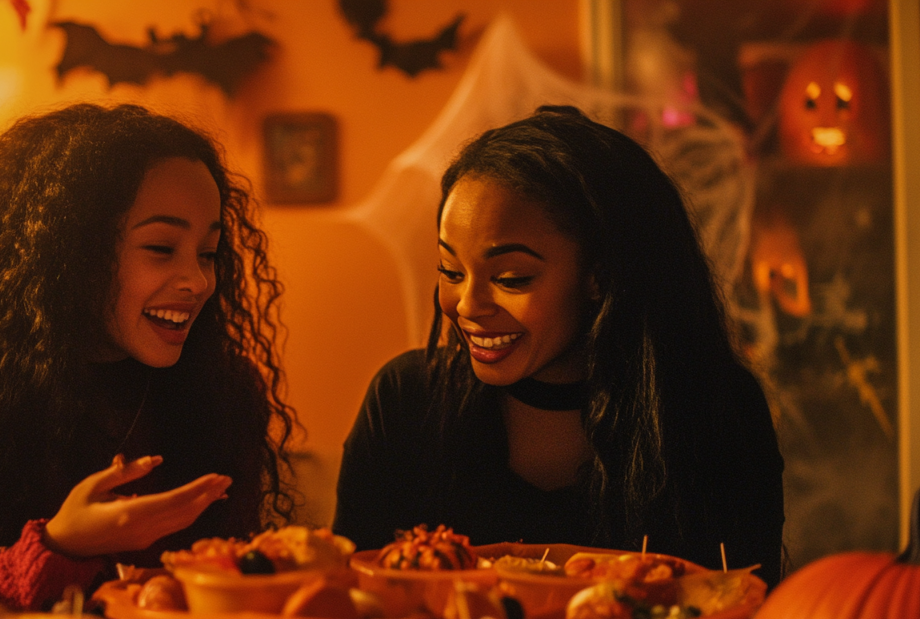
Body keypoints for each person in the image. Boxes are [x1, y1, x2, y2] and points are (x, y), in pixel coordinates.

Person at [0, 103, 296, 618]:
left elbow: (239, 598)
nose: (197, 281)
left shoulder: (224, 394)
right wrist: (61, 548)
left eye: (208, 253)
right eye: (160, 247)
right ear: (73, 254)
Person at [334, 105, 784, 582]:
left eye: (511, 277)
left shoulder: (715, 413)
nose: (467, 305)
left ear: (601, 276)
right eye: (451, 271)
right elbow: (346, 604)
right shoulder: (405, 404)